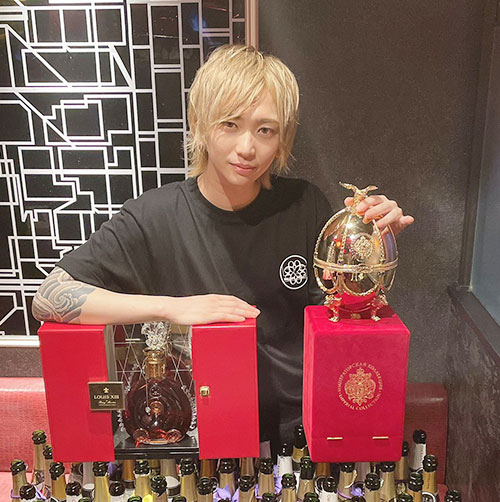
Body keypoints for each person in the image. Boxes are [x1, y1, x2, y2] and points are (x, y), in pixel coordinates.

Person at [32, 44, 414, 451]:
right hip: (204, 435)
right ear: (199, 123)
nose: (247, 148)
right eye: (230, 124)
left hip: (302, 430)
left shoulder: (304, 205)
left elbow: (345, 311)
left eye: (265, 130)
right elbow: (49, 296)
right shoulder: (154, 216)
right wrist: (171, 308)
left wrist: (374, 241)